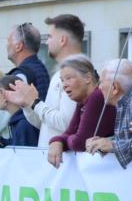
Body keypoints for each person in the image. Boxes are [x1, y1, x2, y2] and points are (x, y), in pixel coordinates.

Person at [5, 14, 82, 146]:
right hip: (49, 155)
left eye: (50, 37)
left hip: (63, 157)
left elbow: (66, 123)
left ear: (62, 40)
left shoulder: (76, 72)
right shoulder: (59, 74)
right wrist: (27, 105)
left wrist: (35, 103)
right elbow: (44, 124)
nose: (47, 42)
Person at [48, 55, 116, 167]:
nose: (64, 85)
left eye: (69, 78)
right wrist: (57, 141)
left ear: (88, 78)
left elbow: (79, 143)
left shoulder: (97, 96)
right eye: (62, 80)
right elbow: (69, 133)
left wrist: (62, 141)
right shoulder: (83, 101)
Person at [5, 22, 51, 147]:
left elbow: (8, 108)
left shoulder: (21, 75)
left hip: (27, 137)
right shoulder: (41, 68)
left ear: (19, 46)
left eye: (8, 41)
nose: (6, 45)